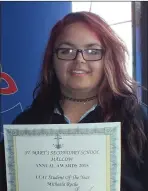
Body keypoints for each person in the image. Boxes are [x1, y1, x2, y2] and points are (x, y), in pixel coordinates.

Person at [0, 11, 148, 191]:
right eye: (66, 50)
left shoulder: (137, 120)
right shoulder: (26, 126)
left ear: (108, 58)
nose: (79, 59)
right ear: (52, 59)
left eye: (92, 51)